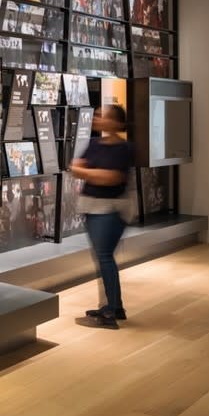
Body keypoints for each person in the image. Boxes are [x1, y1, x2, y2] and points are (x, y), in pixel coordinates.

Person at [70, 104, 134, 329]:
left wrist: (90, 173)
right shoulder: (95, 143)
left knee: (105, 257)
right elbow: (75, 168)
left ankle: (111, 311)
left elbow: (112, 178)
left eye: (102, 115)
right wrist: (96, 174)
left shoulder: (124, 149)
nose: (96, 117)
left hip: (110, 210)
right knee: (103, 257)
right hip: (93, 207)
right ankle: (114, 306)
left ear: (116, 122)